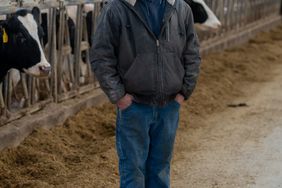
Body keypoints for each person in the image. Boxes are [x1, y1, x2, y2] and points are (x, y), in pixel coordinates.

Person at [90, 0, 201, 187]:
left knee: (160, 168)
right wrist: (119, 96)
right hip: (134, 106)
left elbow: (192, 52)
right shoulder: (117, 8)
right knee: (133, 169)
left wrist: (184, 91)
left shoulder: (181, 8)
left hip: (169, 105)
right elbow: (101, 55)